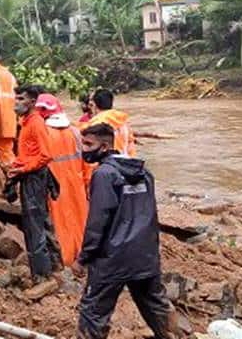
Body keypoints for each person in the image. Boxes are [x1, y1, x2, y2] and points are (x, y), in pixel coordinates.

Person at [72, 122, 171, 339]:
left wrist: (84, 258)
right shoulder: (144, 173)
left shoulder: (104, 175)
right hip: (145, 256)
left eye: (89, 144)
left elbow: (98, 221)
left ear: (105, 147)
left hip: (112, 259)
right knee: (157, 309)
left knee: (94, 313)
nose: (84, 149)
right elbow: (151, 215)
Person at [10, 85, 57, 279]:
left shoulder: (36, 123)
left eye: (21, 99)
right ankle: (52, 265)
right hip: (31, 174)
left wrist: (24, 168)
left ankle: (41, 274)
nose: (16, 102)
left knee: (34, 224)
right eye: (16, 98)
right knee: (39, 222)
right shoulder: (26, 122)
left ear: (31, 102)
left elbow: (46, 155)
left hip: (35, 178)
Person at [42, 94, 94, 266]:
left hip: (54, 186)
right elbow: (87, 161)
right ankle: (84, 257)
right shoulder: (75, 131)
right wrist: (88, 185)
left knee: (60, 223)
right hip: (77, 184)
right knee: (81, 220)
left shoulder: (44, 133)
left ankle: (65, 259)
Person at [88, 88, 137, 157]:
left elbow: (92, 149)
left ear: (95, 105)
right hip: (126, 161)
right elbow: (130, 144)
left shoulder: (96, 123)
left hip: (108, 163)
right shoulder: (122, 120)